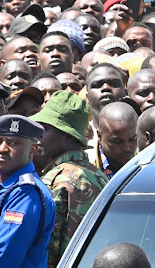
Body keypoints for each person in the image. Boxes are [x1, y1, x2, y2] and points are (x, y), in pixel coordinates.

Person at [0, 115, 56, 268]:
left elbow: (2, 261)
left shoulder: (25, 193)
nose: (2, 149)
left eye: (14, 143)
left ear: (32, 150)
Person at [30, 90, 109, 268]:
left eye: (46, 128)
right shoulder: (99, 176)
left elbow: (46, 251)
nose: (38, 136)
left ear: (67, 134)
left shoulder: (54, 181)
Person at [95, 101, 138, 178]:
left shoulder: (147, 163)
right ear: (100, 136)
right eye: (117, 142)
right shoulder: (86, 170)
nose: (127, 148)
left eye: (133, 139)